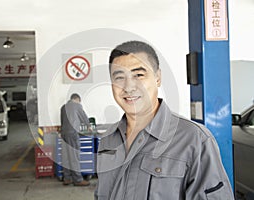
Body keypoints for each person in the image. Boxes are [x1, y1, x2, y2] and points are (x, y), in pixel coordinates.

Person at [94, 41, 234, 199]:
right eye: (119, 77)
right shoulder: (108, 139)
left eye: (138, 75)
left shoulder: (194, 140)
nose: (129, 87)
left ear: (158, 78)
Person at [60, 93, 91, 186]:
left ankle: (67, 178)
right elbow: (83, 117)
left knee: (66, 157)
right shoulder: (77, 105)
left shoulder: (63, 107)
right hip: (72, 133)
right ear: (77, 99)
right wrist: (89, 126)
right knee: (74, 156)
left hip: (64, 133)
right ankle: (78, 180)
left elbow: (62, 121)